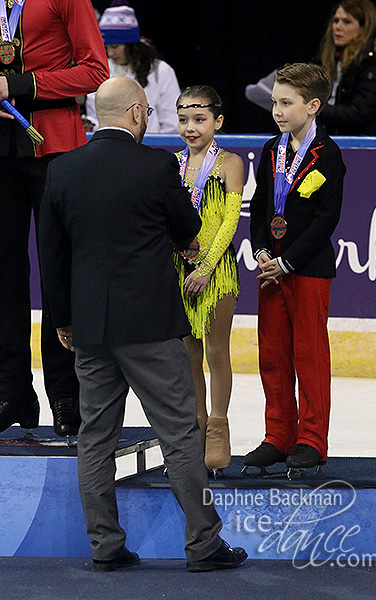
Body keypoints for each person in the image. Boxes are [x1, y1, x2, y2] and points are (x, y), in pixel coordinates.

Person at [39, 76, 247, 573]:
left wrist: (63, 321)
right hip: (151, 326)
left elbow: (51, 256)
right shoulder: (157, 166)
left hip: (90, 327)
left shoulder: (62, 169)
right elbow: (189, 231)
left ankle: (105, 545)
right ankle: (203, 545)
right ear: (136, 112)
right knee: (178, 433)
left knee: (95, 436)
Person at [0, 0, 109, 436]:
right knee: (4, 274)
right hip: (1, 148)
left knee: (58, 271)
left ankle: (65, 392)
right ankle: (11, 391)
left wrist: (18, 87)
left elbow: (95, 71)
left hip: (54, 145)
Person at [244, 63, 346, 473]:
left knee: (309, 356)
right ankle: (278, 435)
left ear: (313, 105)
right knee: (272, 354)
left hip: (307, 269)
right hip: (272, 269)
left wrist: (287, 261)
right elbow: (260, 206)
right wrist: (264, 251)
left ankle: (311, 439)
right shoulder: (272, 149)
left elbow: (326, 220)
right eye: (274, 102)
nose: (278, 111)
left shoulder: (329, 155)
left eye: (287, 103)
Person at [174, 86, 244, 476]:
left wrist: (206, 269)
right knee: (188, 355)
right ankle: (195, 429)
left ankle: (218, 427)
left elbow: (230, 222)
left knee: (216, 352)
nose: (190, 127)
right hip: (180, 269)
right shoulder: (172, 165)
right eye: (184, 119)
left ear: (217, 121)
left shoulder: (229, 163)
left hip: (216, 274)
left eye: (199, 119)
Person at [83, 2, 180, 134]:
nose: (111, 53)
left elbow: (172, 123)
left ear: (131, 45)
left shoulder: (160, 71)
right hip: (112, 149)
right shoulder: (101, 72)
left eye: (115, 46)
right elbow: (96, 120)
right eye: (106, 48)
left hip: (153, 149)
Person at [317, 0, 376, 136]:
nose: (338, 27)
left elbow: (360, 113)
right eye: (336, 21)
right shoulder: (332, 57)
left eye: (347, 22)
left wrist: (313, 109)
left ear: (363, 27)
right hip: (338, 138)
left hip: (371, 145)